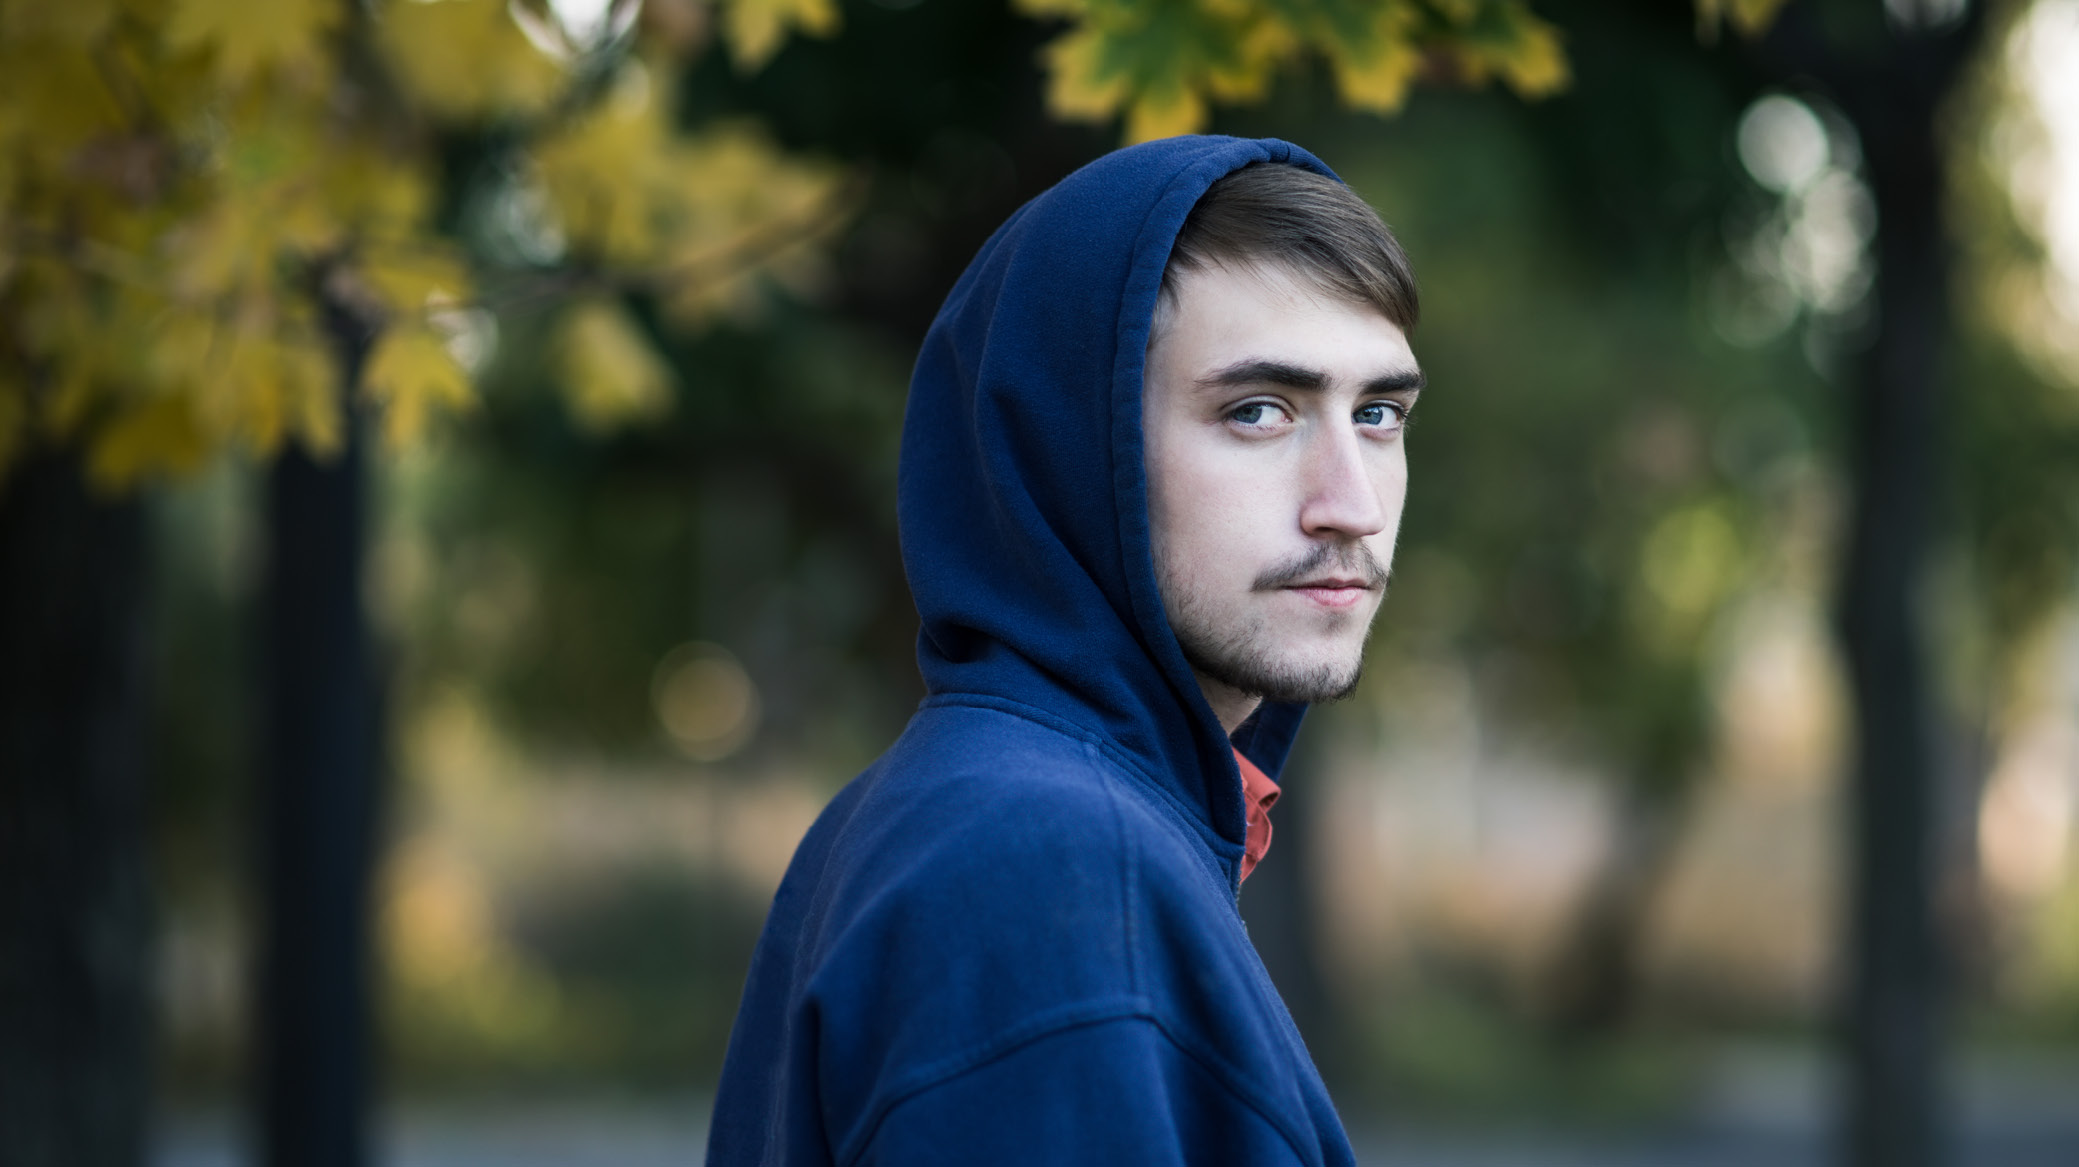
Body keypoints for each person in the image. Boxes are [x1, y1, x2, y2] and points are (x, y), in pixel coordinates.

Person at [706, 134, 1421, 1166]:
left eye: (1378, 414)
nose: (1350, 504)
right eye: (1258, 412)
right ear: (1073, 450)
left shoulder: (967, 810)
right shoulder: (1049, 868)